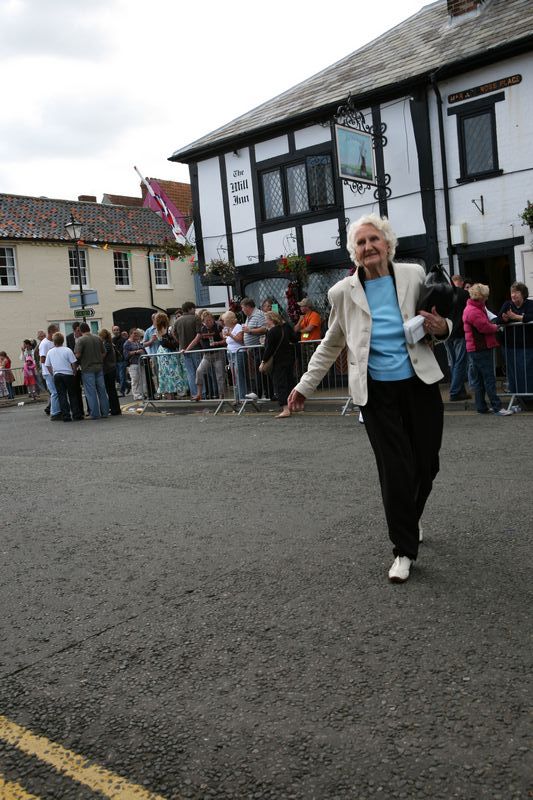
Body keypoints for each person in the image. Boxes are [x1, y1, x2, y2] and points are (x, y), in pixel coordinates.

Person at [288, 213, 452, 584]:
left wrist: (443, 328)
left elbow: (440, 322)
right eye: (360, 243)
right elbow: (330, 344)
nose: (368, 247)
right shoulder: (342, 292)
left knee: (426, 465)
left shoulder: (412, 274)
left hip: (419, 384)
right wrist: (304, 386)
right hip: (376, 392)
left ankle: (409, 518)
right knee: (394, 470)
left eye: (373, 240)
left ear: (387, 244)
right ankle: (404, 550)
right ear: (354, 252)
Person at [462, 283, 513, 417]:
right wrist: (496, 327)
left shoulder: (474, 308)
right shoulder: (474, 311)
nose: (487, 298)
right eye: (485, 296)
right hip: (480, 348)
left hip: (475, 349)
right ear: (480, 296)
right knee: (489, 379)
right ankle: (497, 407)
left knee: (479, 380)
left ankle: (481, 407)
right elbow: (484, 327)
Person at [495, 281, 533, 401]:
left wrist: (517, 317)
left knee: (527, 371)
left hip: (527, 345)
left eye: (516, 292)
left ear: (523, 294)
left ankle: (529, 397)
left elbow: (531, 316)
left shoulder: (530, 304)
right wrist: (505, 318)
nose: (513, 295)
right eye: (512, 292)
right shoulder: (507, 304)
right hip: (510, 345)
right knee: (513, 373)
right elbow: (498, 319)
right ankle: (518, 397)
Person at [259, 311, 298, 417]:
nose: (265, 321)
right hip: (289, 359)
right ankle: (293, 405)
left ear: (271, 320)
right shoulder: (285, 328)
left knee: (280, 384)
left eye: (266, 319)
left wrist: (263, 362)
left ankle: (285, 409)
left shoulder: (272, 332)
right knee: (290, 382)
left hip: (278, 361)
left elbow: (269, 349)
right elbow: (295, 339)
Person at [186, 310, 226, 401]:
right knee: (199, 371)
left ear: (212, 319)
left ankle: (222, 397)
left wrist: (217, 343)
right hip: (207, 356)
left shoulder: (218, 327)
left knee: (220, 376)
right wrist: (186, 350)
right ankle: (199, 394)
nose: (208, 323)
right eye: (205, 321)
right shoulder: (202, 329)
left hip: (218, 354)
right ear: (203, 321)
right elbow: (195, 340)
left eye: (209, 320)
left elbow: (225, 340)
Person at [44, 332, 83, 421]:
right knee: (72, 395)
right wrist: (74, 372)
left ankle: (66, 415)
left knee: (62, 396)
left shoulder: (50, 352)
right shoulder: (67, 350)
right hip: (68, 374)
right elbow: (73, 362)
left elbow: (47, 365)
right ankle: (76, 414)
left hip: (57, 375)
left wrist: (52, 373)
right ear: (62, 340)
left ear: (54, 341)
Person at [74, 322, 110, 419]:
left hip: (87, 368)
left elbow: (77, 354)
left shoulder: (81, 340)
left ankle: (95, 413)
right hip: (99, 367)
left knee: (91, 392)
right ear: (89, 328)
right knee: (102, 391)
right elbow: (104, 352)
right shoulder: (97, 338)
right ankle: (105, 412)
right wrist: (98, 359)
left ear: (80, 330)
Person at [445, 275, 471, 401]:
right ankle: (455, 392)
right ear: (460, 282)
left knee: (454, 363)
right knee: (460, 363)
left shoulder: (445, 294)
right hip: (460, 332)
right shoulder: (465, 294)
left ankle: (461, 391)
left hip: (447, 333)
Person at [154, 311, 187, 399]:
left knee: (165, 374)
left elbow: (163, 342)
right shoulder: (169, 329)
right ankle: (174, 394)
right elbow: (172, 343)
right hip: (169, 354)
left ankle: (170, 396)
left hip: (162, 353)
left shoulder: (157, 330)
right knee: (173, 373)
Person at [240, 297, 267, 401]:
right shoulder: (250, 316)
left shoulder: (258, 314)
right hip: (253, 349)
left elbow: (264, 328)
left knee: (259, 371)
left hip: (259, 348)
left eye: (242, 308)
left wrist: (249, 330)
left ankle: (259, 393)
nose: (242, 310)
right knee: (257, 371)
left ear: (247, 307)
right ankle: (260, 393)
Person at [174, 301, 201, 397]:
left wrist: (181, 343)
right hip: (196, 349)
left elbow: (174, 333)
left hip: (183, 350)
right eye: (194, 308)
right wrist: (189, 347)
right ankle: (202, 393)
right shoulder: (196, 318)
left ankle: (194, 394)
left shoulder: (177, 321)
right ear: (190, 309)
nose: (195, 310)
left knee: (190, 373)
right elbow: (198, 336)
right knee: (199, 371)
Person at [221, 310, 245, 403]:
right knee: (234, 376)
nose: (224, 322)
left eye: (225, 320)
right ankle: (237, 397)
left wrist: (229, 334)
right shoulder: (228, 328)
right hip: (230, 353)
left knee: (239, 375)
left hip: (238, 352)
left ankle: (242, 397)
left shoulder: (238, 327)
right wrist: (225, 335)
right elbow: (226, 339)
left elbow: (240, 339)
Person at [39, 324, 61, 418]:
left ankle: (56, 410)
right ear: (51, 332)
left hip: (55, 371)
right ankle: (54, 413)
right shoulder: (44, 344)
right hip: (48, 372)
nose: (58, 333)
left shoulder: (53, 341)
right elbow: (42, 360)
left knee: (57, 392)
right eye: (56, 331)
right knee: (54, 392)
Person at [99, 329, 122, 416]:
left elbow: (103, 356)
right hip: (111, 368)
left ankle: (114, 409)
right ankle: (115, 408)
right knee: (111, 390)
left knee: (110, 390)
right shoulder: (110, 343)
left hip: (108, 369)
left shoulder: (107, 345)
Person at [123, 328, 147, 401]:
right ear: (130, 334)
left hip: (141, 362)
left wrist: (142, 351)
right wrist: (136, 352)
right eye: (134, 333)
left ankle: (141, 393)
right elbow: (126, 354)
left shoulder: (138, 342)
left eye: (137, 333)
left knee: (141, 379)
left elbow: (143, 349)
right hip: (132, 363)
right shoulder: (127, 343)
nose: (136, 335)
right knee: (135, 379)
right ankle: (136, 395)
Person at [112, 325, 129, 396]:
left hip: (121, 360)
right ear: (112, 331)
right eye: (114, 330)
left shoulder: (123, 339)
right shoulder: (112, 340)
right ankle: (128, 385)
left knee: (122, 376)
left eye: (117, 330)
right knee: (118, 377)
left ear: (119, 331)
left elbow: (124, 350)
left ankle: (122, 391)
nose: (116, 331)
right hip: (115, 360)